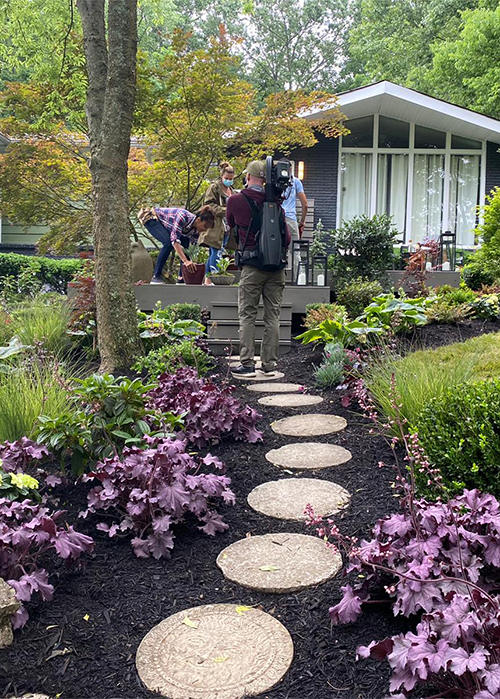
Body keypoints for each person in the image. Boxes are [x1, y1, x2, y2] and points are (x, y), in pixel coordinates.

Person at [226, 160, 290, 378]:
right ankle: (269, 365)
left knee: (248, 314)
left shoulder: (236, 200)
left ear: (248, 177)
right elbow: (287, 237)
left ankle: (247, 364)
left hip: (252, 266)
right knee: (273, 316)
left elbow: (230, 225)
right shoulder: (276, 204)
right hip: (276, 268)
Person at [138, 205, 215, 283]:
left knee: (186, 245)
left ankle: (181, 277)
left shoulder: (195, 232)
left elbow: (191, 249)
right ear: (198, 220)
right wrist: (185, 261)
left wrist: (192, 262)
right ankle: (156, 276)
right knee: (168, 243)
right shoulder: (183, 216)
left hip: (169, 227)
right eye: (205, 226)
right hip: (153, 219)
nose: (205, 230)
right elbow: (174, 241)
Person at [199, 162, 236, 284]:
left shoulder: (232, 191)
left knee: (216, 251)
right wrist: (226, 210)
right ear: (222, 177)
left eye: (231, 179)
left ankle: (208, 279)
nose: (229, 181)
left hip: (227, 227)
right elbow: (209, 204)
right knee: (216, 250)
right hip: (216, 225)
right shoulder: (214, 187)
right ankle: (214, 276)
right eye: (226, 178)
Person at [281, 173, 308, 266]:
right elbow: (305, 204)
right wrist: (302, 221)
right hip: (291, 219)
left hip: (276, 218)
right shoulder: (295, 181)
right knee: (295, 251)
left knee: (276, 249)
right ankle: (299, 278)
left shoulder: (273, 181)